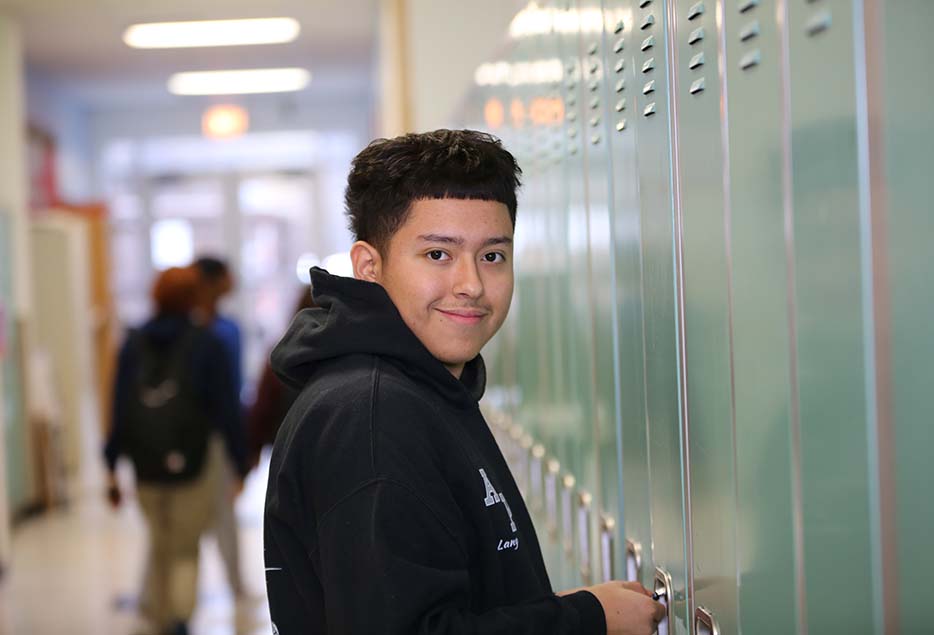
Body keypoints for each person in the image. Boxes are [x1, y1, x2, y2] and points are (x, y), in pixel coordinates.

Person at [263, 129, 664, 635]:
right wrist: (590, 619)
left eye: (492, 255)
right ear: (369, 266)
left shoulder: (420, 390)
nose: (471, 284)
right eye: (438, 255)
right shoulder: (374, 417)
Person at [104, 266, 247, 635]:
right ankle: (179, 620)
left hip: (145, 463)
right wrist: (240, 461)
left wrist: (110, 464)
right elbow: (227, 409)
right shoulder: (208, 342)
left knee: (160, 541)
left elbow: (119, 407)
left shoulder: (133, 343)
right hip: (196, 461)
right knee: (185, 547)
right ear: (193, 299)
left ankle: (156, 616)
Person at [191, 256, 249, 603]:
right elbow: (228, 396)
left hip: (205, 436)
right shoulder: (215, 333)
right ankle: (234, 587)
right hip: (212, 438)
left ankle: (235, 586)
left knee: (218, 518)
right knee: (217, 518)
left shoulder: (225, 328)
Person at [246, 286, 313, 467]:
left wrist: (254, 449)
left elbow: (264, 405)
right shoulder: (342, 357)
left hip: (285, 445)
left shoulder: (282, 353)